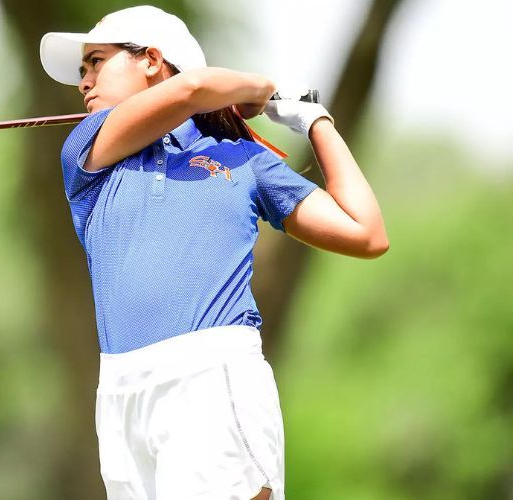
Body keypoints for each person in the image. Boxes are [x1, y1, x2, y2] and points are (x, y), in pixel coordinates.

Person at [39, 5, 388, 500]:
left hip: (210, 377)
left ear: (151, 60)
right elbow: (191, 90)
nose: (84, 82)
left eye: (95, 61)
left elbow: (367, 233)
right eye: (83, 70)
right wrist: (259, 88)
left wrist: (316, 121)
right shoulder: (87, 149)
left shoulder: (242, 160)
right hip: (119, 393)